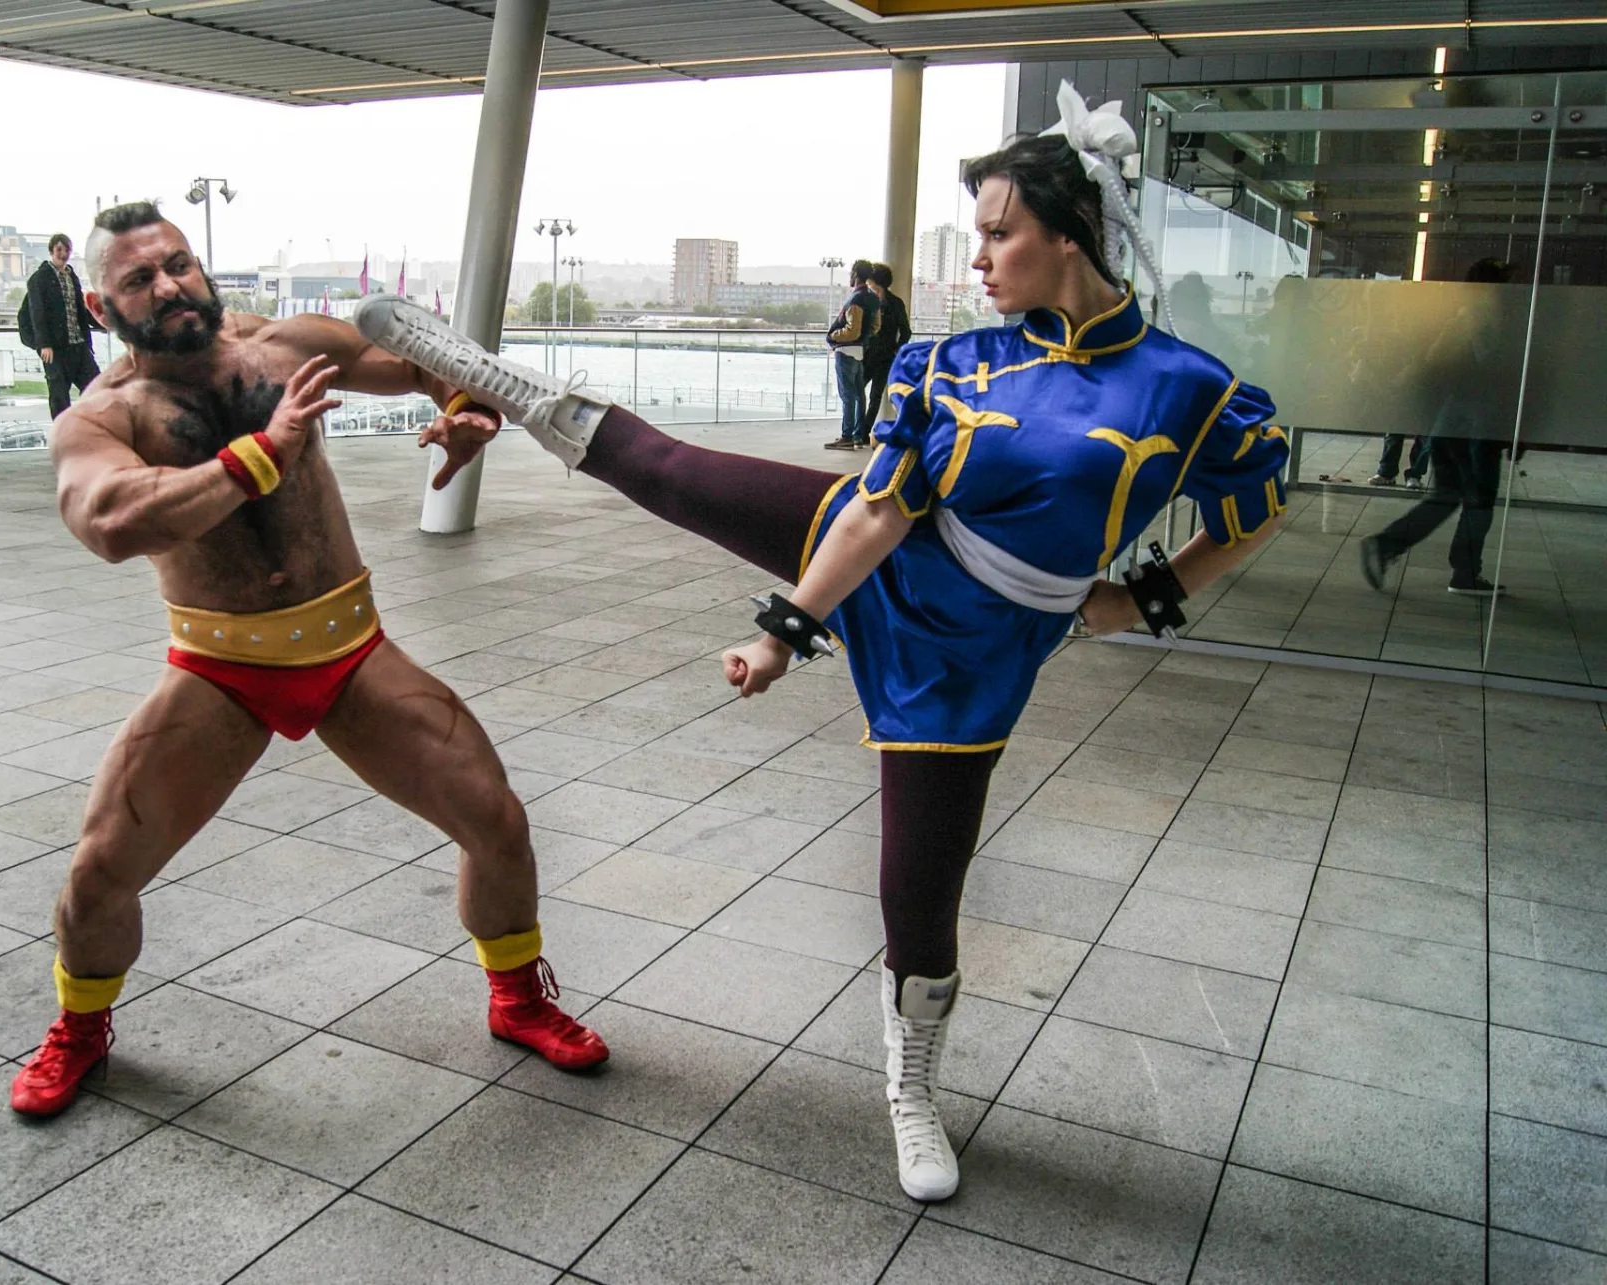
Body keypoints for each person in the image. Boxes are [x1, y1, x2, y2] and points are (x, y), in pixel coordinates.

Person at [358, 82, 1288, 1204]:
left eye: (999, 232)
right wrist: (785, 633)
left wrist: (1139, 600)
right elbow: (878, 510)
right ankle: (502, 381)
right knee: (674, 472)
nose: (979, 256)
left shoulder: (1190, 388)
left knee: (921, 899)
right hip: (894, 555)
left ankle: (912, 1079)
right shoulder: (952, 363)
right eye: (979, 234)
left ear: (1070, 232)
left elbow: (1258, 506)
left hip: (979, 657)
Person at [8, 202, 607, 1119]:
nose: (169, 286)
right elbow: (112, 521)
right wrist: (259, 455)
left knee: (498, 820)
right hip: (217, 667)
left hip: (347, 645)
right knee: (98, 875)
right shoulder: (103, 416)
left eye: (179, 264)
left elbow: (421, 360)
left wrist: (462, 410)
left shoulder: (282, 345)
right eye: (140, 278)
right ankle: (79, 1031)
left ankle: (518, 998)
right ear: (101, 308)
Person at [1359, 258, 1518, 597]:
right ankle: (1464, 573)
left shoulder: (1459, 315)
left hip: (1448, 423)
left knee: (1446, 496)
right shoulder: (1488, 320)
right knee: (1479, 501)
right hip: (1477, 426)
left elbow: (1433, 361)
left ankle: (1387, 544)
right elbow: (1496, 372)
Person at [25, 233, 104, 419]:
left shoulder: (72, 276)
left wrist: (101, 322)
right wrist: (44, 344)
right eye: (59, 249)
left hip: (78, 344)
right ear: (52, 250)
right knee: (59, 396)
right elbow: (38, 312)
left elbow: (80, 310)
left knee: (96, 387)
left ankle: (94, 429)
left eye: (67, 249)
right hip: (56, 349)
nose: (64, 253)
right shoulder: (39, 279)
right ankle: (64, 436)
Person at [825, 259, 880, 450]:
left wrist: (833, 335)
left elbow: (853, 330)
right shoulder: (873, 298)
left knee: (847, 395)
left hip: (846, 351)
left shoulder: (856, 298)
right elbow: (875, 326)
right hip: (859, 352)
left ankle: (846, 436)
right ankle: (857, 435)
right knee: (859, 395)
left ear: (855, 274)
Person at [862, 262, 913, 431]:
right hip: (871, 354)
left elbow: (906, 331)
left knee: (874, 396)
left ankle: (863, 431)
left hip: (883, 357)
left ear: (877, 282)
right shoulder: (871, 301)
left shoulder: (893, 303)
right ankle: (857, 429)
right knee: (858, 393)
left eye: (870, 282)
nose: (868, 285)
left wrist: (896, 350)